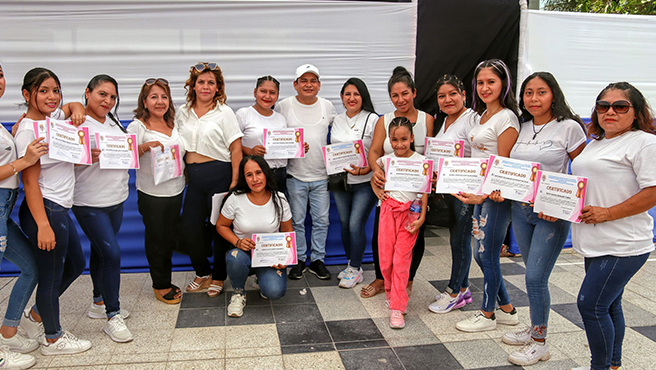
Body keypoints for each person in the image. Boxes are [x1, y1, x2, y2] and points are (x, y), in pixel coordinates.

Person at [500, 72, 587, 366]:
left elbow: (586, 169)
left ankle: (540, 343)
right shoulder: (521, 127)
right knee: (530, 273)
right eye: (528, 93)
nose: (534, 99)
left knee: (536, 278)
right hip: (521, 210)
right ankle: (534, 327)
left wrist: (564, 204)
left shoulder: (569, 128)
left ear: (554, 95)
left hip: (551, 214)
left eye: (541, 92)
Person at [570, 82, 656, 370]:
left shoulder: (644, 142)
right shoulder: (597, 142)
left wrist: (608, 213)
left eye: (620, 106)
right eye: (603, 105)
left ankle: (600, 367)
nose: (610, 111)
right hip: (595, 240)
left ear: (636, 112)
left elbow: (653, 192)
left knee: (591, 306)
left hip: (624, 244)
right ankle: (613, 364)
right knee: (609, 305)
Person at [15, 67, 92, 355]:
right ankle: (53, 338)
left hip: (60, 207)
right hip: (45, 209)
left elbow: (72, 107)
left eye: (56, 90)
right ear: (26, 94)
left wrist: (77, 109)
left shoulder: (54, 120)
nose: (52, 96)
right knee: (51, 274)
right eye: (43, 90)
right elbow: (30, 182)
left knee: (75, 265)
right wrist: (43, 224)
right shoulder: (28, 131)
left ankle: (35, 316)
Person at [454, 59, 520, 333]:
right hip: (480, 195)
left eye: (491, 81)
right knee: (481, 255)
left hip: (495, 198)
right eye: (480, 82)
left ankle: (487, 314)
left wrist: (482, 197)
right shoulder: (482, 117)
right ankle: (507, 309)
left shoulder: (507, 118)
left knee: (488, 255)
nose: (484, 87)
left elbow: (503, 165)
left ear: (503, 84)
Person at [363, 66, 434, 298]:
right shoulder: (384, 121)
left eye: (405, 93)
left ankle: (408, 279)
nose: (400, 99)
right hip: (389, 192)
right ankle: (381, 278)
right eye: (395, 95)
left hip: (415, 195)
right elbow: (374, 151)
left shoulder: (427, 120)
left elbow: (432, 154)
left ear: (414, 92)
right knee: (380, 236)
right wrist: (376, 172)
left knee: (415, 235)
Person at [72, 74, 132, 342]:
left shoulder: (112, 121)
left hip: (115, 198)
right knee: (112, 254)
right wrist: (84, 155)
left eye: (112, 97)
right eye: (102, 95)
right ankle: (113, 314)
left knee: (101, 251)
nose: (107, 101)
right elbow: (57, 159)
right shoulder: (75, 121)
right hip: (89, 201)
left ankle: (98, 302)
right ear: (87, 92)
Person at [176, 62, 243, 297]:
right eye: (201, 82)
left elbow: (236, 148)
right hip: (193, 178)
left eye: (211, 83)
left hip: (220, 175)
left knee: (218, 229)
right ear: (193, 86)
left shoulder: (224, 112)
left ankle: (218, 276)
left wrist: (234, 181)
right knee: (190, 228)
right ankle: (202, 272)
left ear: (218, 88)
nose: (205, 86)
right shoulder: (182, 112)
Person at [0, 63, 49, 369]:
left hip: (5, 208)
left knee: (31, 267)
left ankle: (8, 331)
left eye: (0, 75)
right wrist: (24, 161)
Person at [275, 64, 336, 280]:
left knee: (322, 221)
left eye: (313, 81)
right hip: (295, 175)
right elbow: (276, 137)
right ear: (295, 84)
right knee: (297, 221)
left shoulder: (327, 106)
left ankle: (317, 260)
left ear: (319, 85)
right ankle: (300, 259)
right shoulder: (284, 106)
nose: (308, 85)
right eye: (304, 81)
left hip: (321, 175)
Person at [127, 78, 185, 305]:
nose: (159, 101)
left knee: (169, 238)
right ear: (144, 101)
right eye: (154, 96)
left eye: (164, 96)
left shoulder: (174, 124)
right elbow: (124, 155)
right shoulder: (138, 126)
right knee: (157, 240)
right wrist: (143, 147)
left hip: (176, 190)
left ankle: (166, 279)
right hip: (152, 195)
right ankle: (160, 285)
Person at [217, 156, 292, 317]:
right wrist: (237, 242)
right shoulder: (235, 199)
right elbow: (221, 225)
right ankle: (238, 293)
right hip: (243, 253)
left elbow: (287, 233)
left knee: (274, 292)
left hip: (269, 256)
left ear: (266, 173)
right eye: (249, 175)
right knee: (235, 257)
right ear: (244, 178)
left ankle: (261, 279)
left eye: (259, 172)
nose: (255, 179)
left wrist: (285, 258)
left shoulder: (279, 199)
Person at [427, 74, 477, 313]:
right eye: (441, 96)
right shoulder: (443, 121)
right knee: (455, 240)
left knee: (460, 241)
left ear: (464, 95)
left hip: (464, 193)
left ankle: (454, 291)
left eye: (452, 94)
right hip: (446, 191)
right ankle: (464, 289)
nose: (447, 100)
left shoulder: (472, 120)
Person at [372, 117, 427, 329]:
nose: (399, 144)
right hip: (387, 211)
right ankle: (390, 291)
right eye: (394, 140)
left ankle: (397, 307)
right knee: (386, 260)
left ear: (412, 138)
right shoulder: (385, 161)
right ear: (389, 140)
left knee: (402, 260)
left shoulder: (422, 161)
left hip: (410, 215)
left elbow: (424, 193)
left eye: (404, 139)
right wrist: (375, 188)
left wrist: (421, 217)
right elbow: (375, 180)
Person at [331, 78, 378, 289]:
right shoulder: (337, 120)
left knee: (355, 223)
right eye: (347, 94)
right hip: (340, 181)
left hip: (365, 182)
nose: (352, 98)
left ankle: (356, 267)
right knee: (343, 224)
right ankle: (352, 265)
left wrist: (367, 168)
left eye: (356, 94)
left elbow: (378, 151)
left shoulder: (373, 119)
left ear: (363, 97)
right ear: (342, 97)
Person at [236, 76, 289, 192]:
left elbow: (286, 146)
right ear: (255, 92)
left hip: (279, 175)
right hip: (254, 176)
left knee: (277, 208)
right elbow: (233, 146)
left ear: (277, 96)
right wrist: (251, 151)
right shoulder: (243, 114)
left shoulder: (281, 119)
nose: (267, 96)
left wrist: (298, 147)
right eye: (263, 91)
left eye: (272, 93)